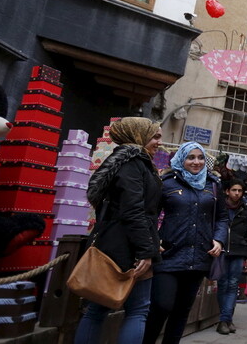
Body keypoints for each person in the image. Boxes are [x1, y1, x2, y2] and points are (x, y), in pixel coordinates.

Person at [75, 117, 162, 344]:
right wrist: (145, 250)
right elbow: (133, 210)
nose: (159, 142)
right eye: (155, 136)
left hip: (119, 243)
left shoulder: (132, 162)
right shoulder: (133, 163)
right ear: (138, 135)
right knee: (137, 310)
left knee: (98, 309)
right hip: (127, 247)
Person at [143, 142, 229, 344]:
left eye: (200, 157)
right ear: (182, 159)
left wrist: (219, 238)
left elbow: (223, 218)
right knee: (161, 306)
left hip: (199, 256)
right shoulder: (167, 183)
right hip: (169, 254)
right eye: (191, 157)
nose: (196, 162)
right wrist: (153, 240)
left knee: (182, 311)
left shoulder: (213, 185)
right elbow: (149, 214)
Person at [216, 178, 247, 335]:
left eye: (239, 191)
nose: (237, 193)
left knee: (232, 285)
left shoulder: (244, 209)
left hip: (238, 252)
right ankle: (225, 319)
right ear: (227, 191)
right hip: (222, 251)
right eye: (234, 190)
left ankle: (225, 320)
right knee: (223, 284)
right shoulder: (219, 207)